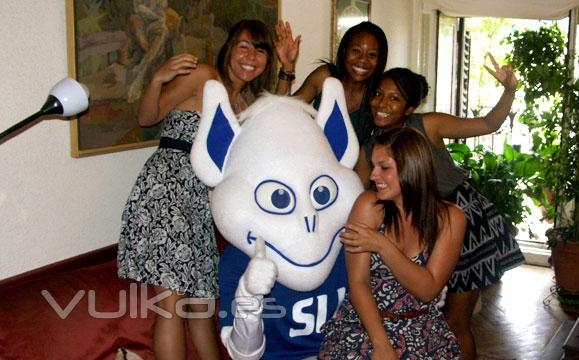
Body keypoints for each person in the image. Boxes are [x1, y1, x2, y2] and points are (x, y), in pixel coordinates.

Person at [117, 19, 298, 360]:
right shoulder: (204, 77)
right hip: (166, 191)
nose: (251, 55)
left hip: (201, 203)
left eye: (260, 50)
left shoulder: (242, 105)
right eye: (244, 45)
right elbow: (147, 117)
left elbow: (274, 119)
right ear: (229, 47)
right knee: (170, 307)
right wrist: (157, 77)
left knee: (201, 307)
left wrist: (288, 69)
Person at [356, 55, 526, 359]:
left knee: (455, 321)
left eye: (395, 98)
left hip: (464, 221)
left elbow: (489, 123)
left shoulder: (427, 124)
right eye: (379, 94)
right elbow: (358, 193)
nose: (382, 103)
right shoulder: (370, 148)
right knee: (426, 316)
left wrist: (509, 90)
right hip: (416, 228)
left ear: (409, 108)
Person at [319, 127, 467, 358]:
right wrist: (381, 343)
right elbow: (358, 282)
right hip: (366, 324)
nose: (372, 175)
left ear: (413, 169)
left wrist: (382, 245)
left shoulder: (450, 218)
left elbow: (428, 290)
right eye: (374, 165)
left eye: (384, 167)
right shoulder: (369, 206)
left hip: (422, 328)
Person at [280, 21, 388, 146]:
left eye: (372, 55)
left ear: (379, 61)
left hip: (352, 165)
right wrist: (287, 65)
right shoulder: (324, 76)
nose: (363, 60)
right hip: (309, 159)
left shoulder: (378, 95)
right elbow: (282, 111)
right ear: (344, 51)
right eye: (356, 51)